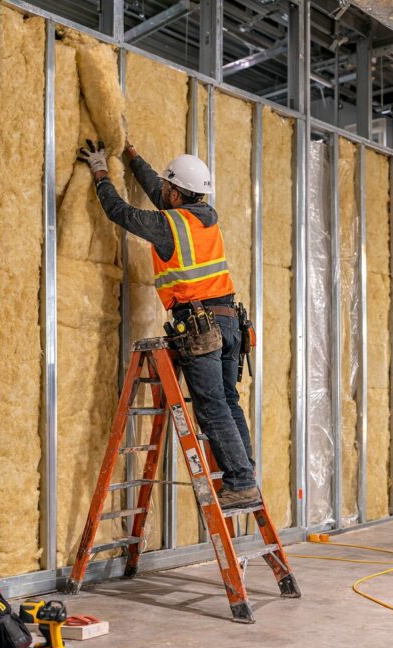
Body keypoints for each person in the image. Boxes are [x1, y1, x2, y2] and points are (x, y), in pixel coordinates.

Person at [77, 139, 260, 509]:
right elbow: (157, 192)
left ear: (177, 194)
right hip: (229, 323)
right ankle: (246, 476)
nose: (162, 191)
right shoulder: (204, 218)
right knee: (228, 401)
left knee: (212, 406)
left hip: (200, 326)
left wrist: (100, 173)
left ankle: (241, 483)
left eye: (167, 187)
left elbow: (120, 212)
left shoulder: (169, 225)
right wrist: (132, 156)